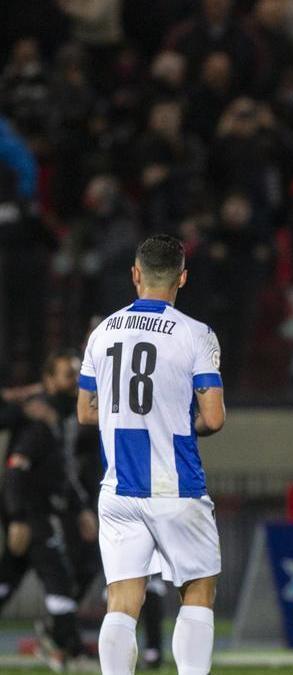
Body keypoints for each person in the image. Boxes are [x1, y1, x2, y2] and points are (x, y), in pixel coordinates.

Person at [77, 234, 226, 675]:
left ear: (135, 275)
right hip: (174, 484)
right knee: (198, 588)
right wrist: (172, 420)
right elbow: (213, 419)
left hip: (118, 489)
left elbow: (86, 412)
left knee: (122, 601)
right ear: (182, 277)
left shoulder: (101, 332)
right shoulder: (195, 334)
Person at [0, 351, 95, 670]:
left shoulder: (60, 417)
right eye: (68, 376)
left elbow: (63, 470)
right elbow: (16, 468)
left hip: (43, 511)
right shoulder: (37, 417)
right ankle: (69, 648)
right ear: (49, 380)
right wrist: (16, 518)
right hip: (31, 514)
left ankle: (63, 643)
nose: (75, 383)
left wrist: (80, 508)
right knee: (59, 578)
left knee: (8, 579)